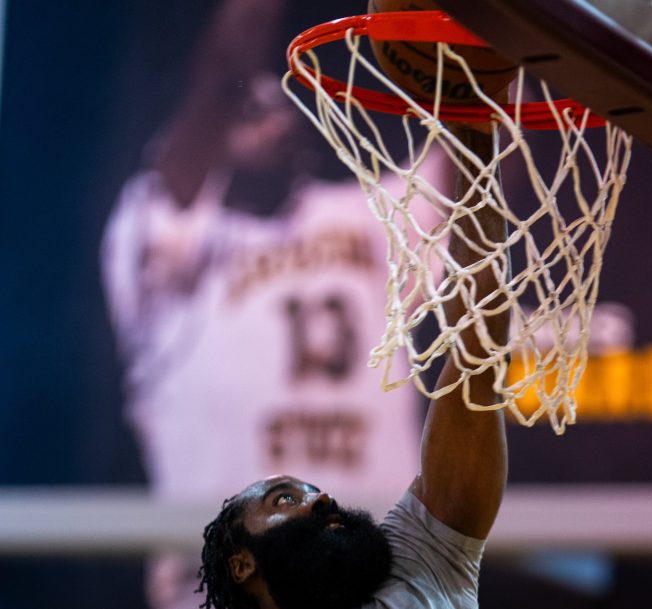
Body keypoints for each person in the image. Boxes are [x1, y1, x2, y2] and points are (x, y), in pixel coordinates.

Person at [101, 1, 445, 607]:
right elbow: (225, 64)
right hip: (232, 585)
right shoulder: (164, 238)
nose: (270, 118)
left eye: (281, 105)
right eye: (246, 104)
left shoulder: (368, 219)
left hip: (372, 578)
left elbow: (483, 158)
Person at [196, 125, 510, 609]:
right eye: (284, 500)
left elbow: (476, 347)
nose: (322, 500)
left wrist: (474, 121)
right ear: (243, 564)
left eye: (310, 493)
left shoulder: (420, 565)